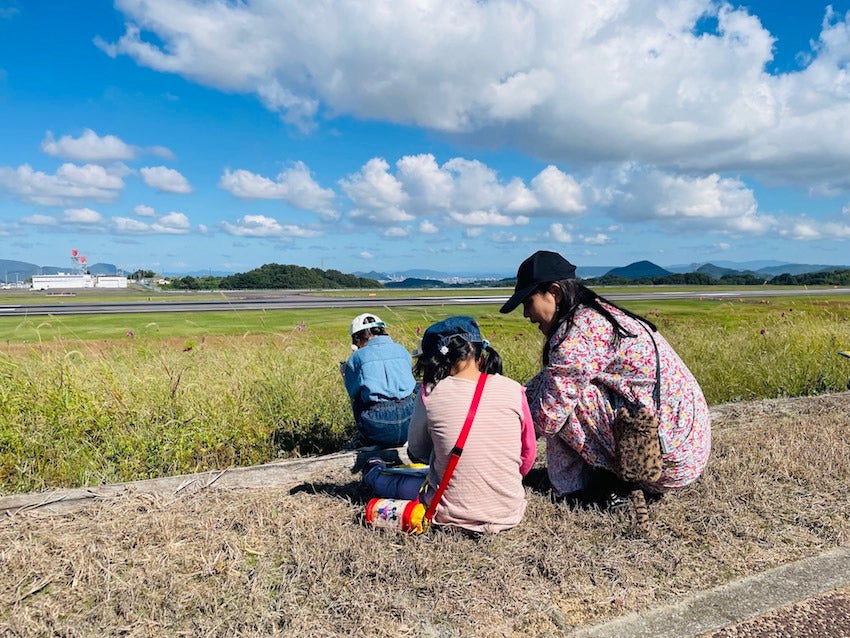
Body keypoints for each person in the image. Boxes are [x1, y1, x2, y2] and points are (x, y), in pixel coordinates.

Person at [499, 250, 711, 501]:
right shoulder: (595, 315)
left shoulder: (576, 333)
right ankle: (576, 479)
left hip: (664, 459)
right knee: (550, 387)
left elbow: (548, 417)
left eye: (528, 302)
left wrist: (500, 441)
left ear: (554, 292)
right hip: (683, 444)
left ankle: (573, 489)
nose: (526, 314)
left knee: (558, 401)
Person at [363, 316, 537, 534]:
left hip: (448, 511)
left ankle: (373, 472)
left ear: (436, 361)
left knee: (396, 483)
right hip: (508, 511)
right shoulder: (513, 389)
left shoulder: (430, 393)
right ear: (479, 354)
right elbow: (528, 454)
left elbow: (417, 451)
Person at [342, 313, 417, 450]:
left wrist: (346, 373)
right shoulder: (402, 350)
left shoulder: (357, 357)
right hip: (410, 419)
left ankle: (370, 441)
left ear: (357, 338)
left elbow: (352, 391)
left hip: (378, 423)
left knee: (358, 398)